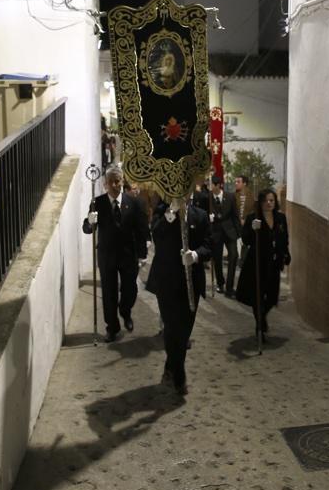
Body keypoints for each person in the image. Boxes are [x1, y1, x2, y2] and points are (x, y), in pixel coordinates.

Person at [146, 196, 212, 394]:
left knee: (184, 329)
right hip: (166, 279)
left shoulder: (199, 215)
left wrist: (196, 255)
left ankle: (170, 366)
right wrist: (171, 213)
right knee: (171, 326)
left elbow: (209, 245)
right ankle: (179, 373)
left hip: (191, 282)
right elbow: (156, 234)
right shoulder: (162, 211)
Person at [82, 165, 149, 342]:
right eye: (111, 182)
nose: (114, 185)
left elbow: (141, 229)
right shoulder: (98, 203)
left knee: (130, 289)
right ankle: (112, 327)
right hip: (107, 255)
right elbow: (88, 228)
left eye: (117, 181)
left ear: (122, 182)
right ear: (105, 184)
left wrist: (143, 254)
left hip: (129, 254)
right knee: (108, 293)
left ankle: (125, 311)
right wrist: (90, 222)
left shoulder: (134, 202)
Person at [236, 187, 290, 340]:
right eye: (266, 200)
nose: (269, 203)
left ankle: (262, 317)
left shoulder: (280, 218)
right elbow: (245, 240)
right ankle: (259, 326)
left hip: (274, 263)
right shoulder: (253, 218)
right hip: (257, 263)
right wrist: (253, 229)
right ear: (260, 202)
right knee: (257, 297)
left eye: (272, 200)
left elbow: (284, 238)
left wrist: (286, 253)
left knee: (272, 297)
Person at [209, 174, 241, 296]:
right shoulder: (208, 198)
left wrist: (239, 233)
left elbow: (235, 216)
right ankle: (220, 284)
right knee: (217, 259)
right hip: (215, 233)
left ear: (218, 185)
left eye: (212, 185)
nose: (211, 187)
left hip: (229, 232)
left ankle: (229, 287)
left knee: (233, 256)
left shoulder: (230, 197)